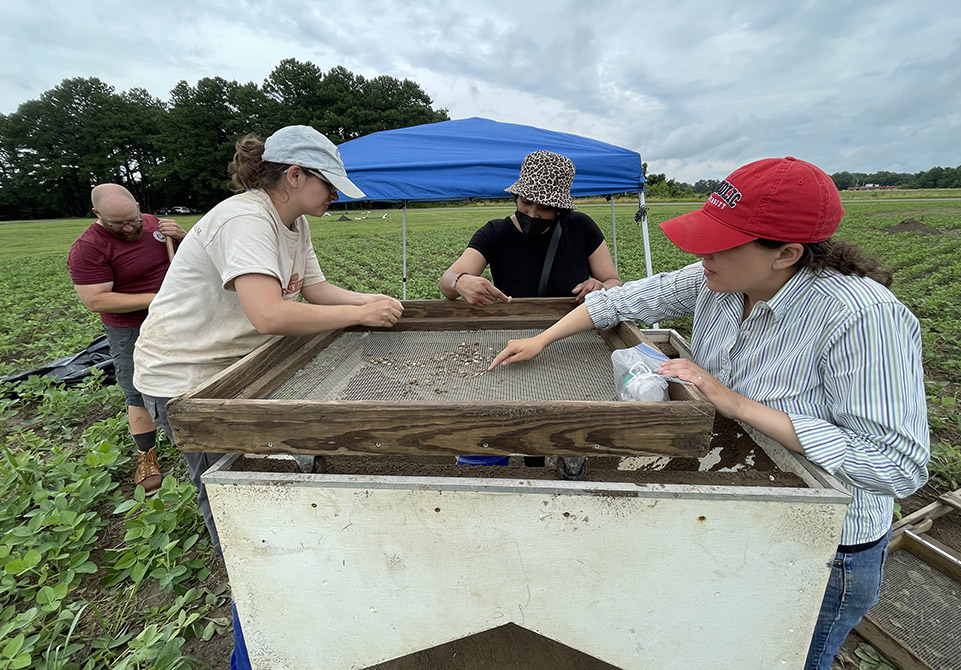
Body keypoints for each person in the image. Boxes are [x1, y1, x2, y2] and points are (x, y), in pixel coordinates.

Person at [488, 156, 930, 670]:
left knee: (782, 656)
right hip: (746, 508)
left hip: (823, 545)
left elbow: (896, 466)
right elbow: (619, 300)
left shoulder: (861, 317)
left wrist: (734, 402)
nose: (701, 255)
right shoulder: (715, 280)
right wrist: (541, 339)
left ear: (785, 253)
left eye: (719, 243)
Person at [132, 125, 403, 668]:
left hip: (240, 364)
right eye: (328, 185)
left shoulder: (293, 221)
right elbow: (270, 313)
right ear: (294, 175)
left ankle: (295, 571)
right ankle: (255, 595)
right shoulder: (245, 218)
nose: (333, 196)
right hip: (188, 377)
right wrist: (358, 315)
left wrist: (372, 300)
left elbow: (315, 290)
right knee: (236, 497)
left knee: (271, 474)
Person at [68, 183, 186, 496]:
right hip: (130, 328)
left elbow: (187, 262)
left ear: (137, 205)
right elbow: (97, 301)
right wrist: (158, 297)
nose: (130, 228)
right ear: (96, 215)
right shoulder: (88, 248)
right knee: (137, 389)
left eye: (133, 219)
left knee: (192, 374)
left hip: (176, 317)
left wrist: (183, 237)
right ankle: (146, 456)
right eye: (118, 224)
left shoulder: (153, 225)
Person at [439, 150, 622, 306]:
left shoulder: (581, 228)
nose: (533, 214)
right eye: (526, 202)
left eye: (545, 207)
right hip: (515, 330)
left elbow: (614, 282)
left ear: (560, 209)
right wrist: (459, 282)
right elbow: (447, 281)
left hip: (572, 330)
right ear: (516, 197)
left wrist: (602, 287)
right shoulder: (495, 233)